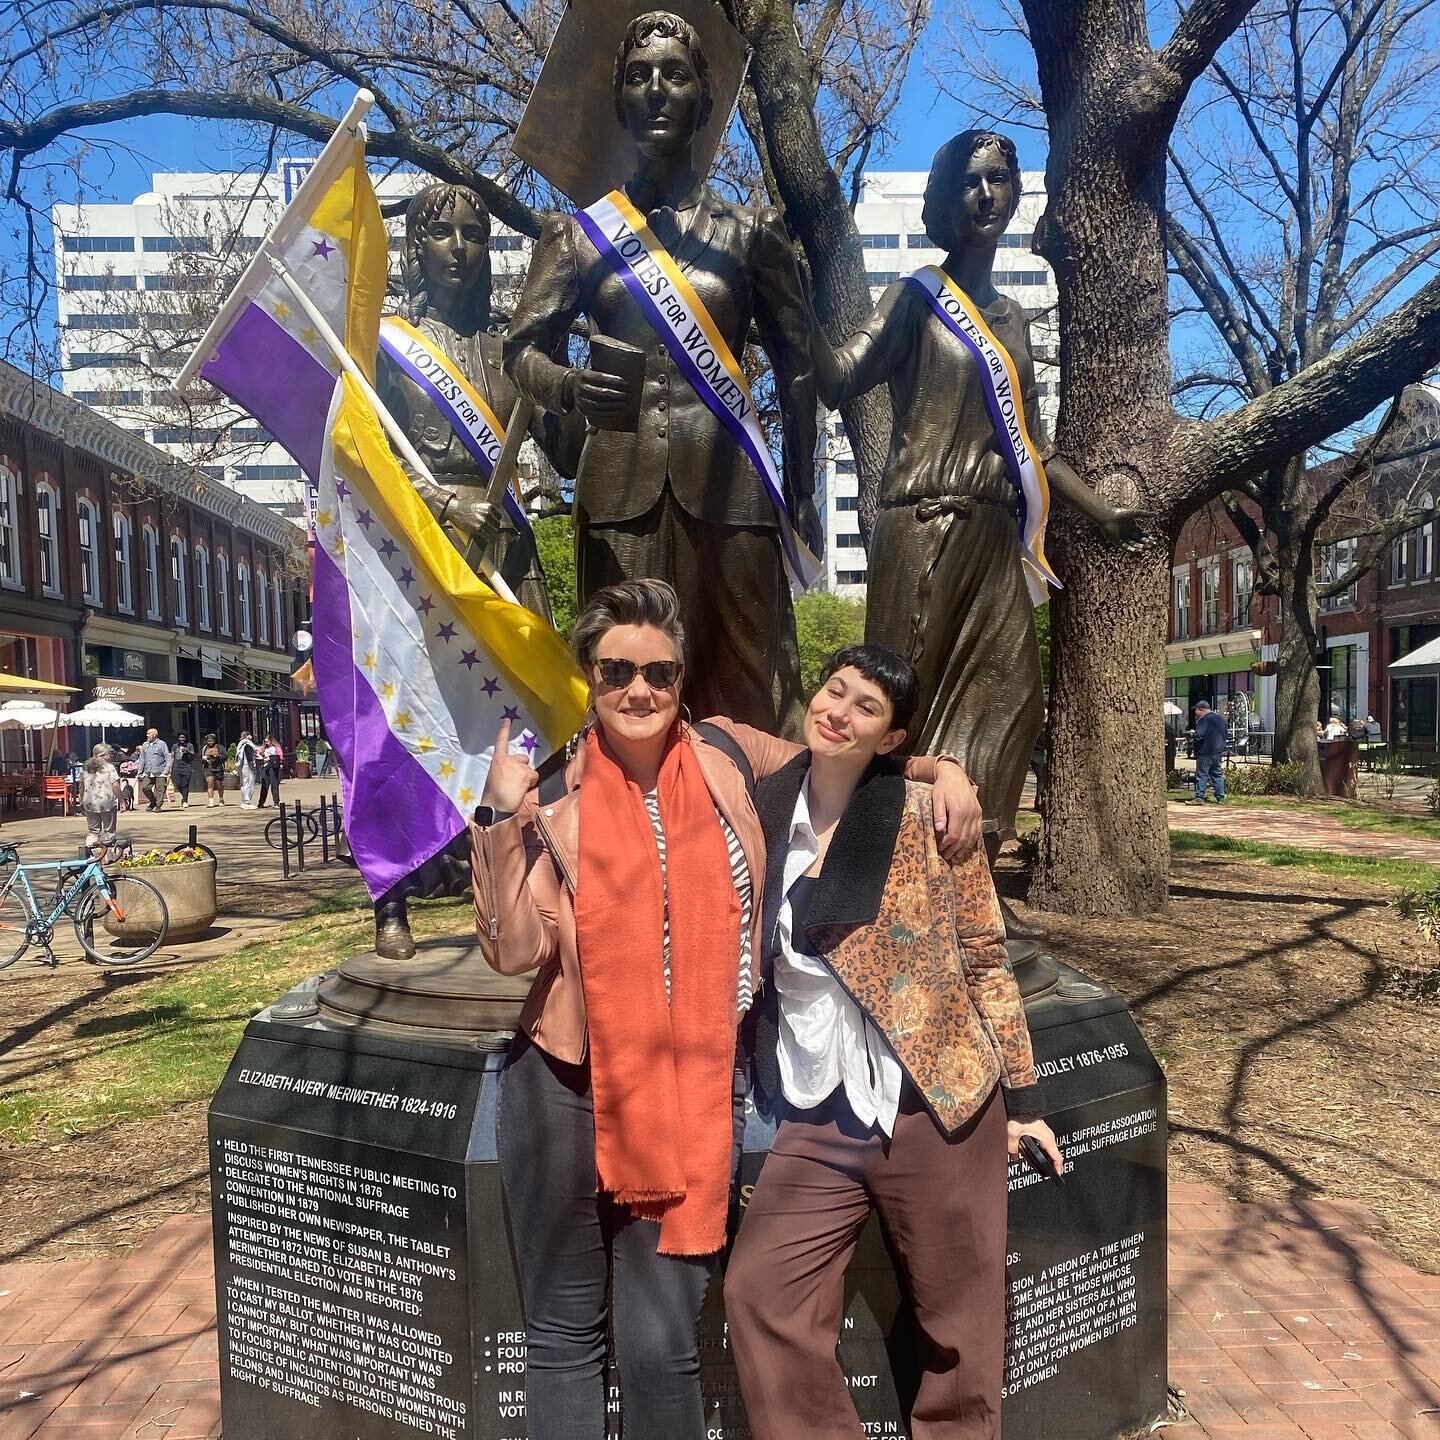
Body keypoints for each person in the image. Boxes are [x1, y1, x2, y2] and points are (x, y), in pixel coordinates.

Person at [472, 579, 980, 1440]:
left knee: (662, 1342)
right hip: (565, 1086)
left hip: (694, 1088)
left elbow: (845, 752)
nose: (639, 690)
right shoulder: (550, 787)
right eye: (615, 671)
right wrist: (498, 815)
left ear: (682, 679)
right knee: (562, 1335)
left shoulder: (728, 755)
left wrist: (946, 768)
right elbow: (515, 954)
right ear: (590, 679)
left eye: (659, 672)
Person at [724, 644, 1061, 1439]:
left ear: (893, 738)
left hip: (937, 1104)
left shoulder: (928, 815)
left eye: (865, 707)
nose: (838, 710)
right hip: (817, 1107)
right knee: (760, 1293)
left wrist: (1025, 1101)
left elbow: (985, 954)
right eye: (833, 690)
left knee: (959, 1333)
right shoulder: (766, 804)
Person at [807, 128, 1139, 932]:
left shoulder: (1016, 323)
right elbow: (839, 375)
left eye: (999, 180)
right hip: (923, 524)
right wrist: (792, 306)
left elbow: (1032, 444)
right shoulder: (914, 296)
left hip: (995, 535)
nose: (986, 195)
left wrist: (1101, 512)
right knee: (897, 707)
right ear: (942, 203)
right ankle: (869, 878)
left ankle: (968, 885)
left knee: (1010, 699)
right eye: (969, 183)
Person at [505, 10, 820, 734]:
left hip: (734, 493)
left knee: (751, 685)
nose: (654, 90)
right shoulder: (579, 237)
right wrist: (569, 389)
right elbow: (521, 349)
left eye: (674, 75)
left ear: (705, 104)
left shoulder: (753, 235)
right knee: (627, 688)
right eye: (638, 77)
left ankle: (754, 831)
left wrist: (800, 489)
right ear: (620, 101)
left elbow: (798, 372)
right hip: (619, 494)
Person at [80, 743, 122, 861]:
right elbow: (116, 786)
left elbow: (81, 785)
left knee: (93, 831)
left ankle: (90, 855)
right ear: (103, 755)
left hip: (89, 803)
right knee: (109, 830)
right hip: (106, 803)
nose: (111, 756)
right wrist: (122, 800)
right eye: (110, 754)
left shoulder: (86, 768)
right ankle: (109, 857)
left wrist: (81, 799)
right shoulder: (109, 767)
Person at [1190, 699, 1227, 803]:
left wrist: (1195, 746)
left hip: (1205, 752)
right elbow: (1225, 734)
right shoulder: (1220, 719)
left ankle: (1199, 797)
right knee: (1217, 775)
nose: (1195, 714)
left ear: (1200, 710)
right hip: (1217, 752)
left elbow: (1199, 735)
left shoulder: (1204, 720)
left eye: (1196, 711)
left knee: (1202, 775)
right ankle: (1221, 797)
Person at [137, 728, 170, 811]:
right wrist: (139, 771)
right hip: (148, 771)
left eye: (149, 733)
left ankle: (158, 805)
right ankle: (153, 802)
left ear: (154, 735)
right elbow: (142, 759)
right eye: (147, 733)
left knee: (160, 789)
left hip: (160, 771)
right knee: (145, 787)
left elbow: (167, 757)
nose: (147, 735)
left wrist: (166, 769)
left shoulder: (162, 744)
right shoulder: (145, 745)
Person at [257, 735, 283, 809]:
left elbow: (280, 757)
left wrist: (270, 758)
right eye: (265, 741)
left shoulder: (276, 748)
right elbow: (259, 755)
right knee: (264, 786)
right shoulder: (264, 748)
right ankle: (261, 803)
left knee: (274, 785)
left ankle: (276, 802)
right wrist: (259, 756)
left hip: (273, 767)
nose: (267, 743)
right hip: (265, 767)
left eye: (268, 741)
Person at [170, 733, 196, 809]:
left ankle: (185, 800)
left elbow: (193, 756)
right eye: (180, 737)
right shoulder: (175, 746)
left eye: (183, 737)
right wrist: (170, 767)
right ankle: (183, 796)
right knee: (177, 784)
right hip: (176, 767)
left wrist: (187, 751)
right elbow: (172, 757)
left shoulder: (189, 745)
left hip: (186, 766)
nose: (182, 739)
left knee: (185, 784)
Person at [236, 729, 259, 809]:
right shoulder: (247, 744)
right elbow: (249, 756)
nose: (251, 737)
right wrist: (253, 763)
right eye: (250, 735)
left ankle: (245, 801)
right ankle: (247, 802)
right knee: (249, 782)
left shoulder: (241, 744)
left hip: (243, 766)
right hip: (247, 765)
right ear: (247, 736)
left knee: (244, 783)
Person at [201, 734, 226, 807]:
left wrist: (218, 756)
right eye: (208, 741)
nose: (210, 742)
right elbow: (200, 758)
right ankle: (211, 801)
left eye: (211, 740)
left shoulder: (220, 747)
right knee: (210, 783)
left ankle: (221, 799)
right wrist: (204, 759)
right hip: (208, 768)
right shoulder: (204, 748)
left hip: (218, 768)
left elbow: (225, 756)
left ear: (214, 740)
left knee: (219, 785)